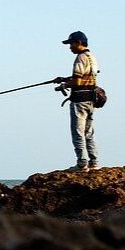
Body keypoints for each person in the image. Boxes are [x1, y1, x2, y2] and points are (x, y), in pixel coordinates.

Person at [54, 31, 99, 171]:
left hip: (79, 101)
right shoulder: (91, 56)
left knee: (77, 132)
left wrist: (64, 85)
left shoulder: (80, 58)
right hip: (91, 100)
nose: (70, 47)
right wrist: (64, 79)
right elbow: (84, 78)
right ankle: (94, 162)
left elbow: (78, 82)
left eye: (71, 44)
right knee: (88, 132)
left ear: (78, 43)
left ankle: (82, 164)